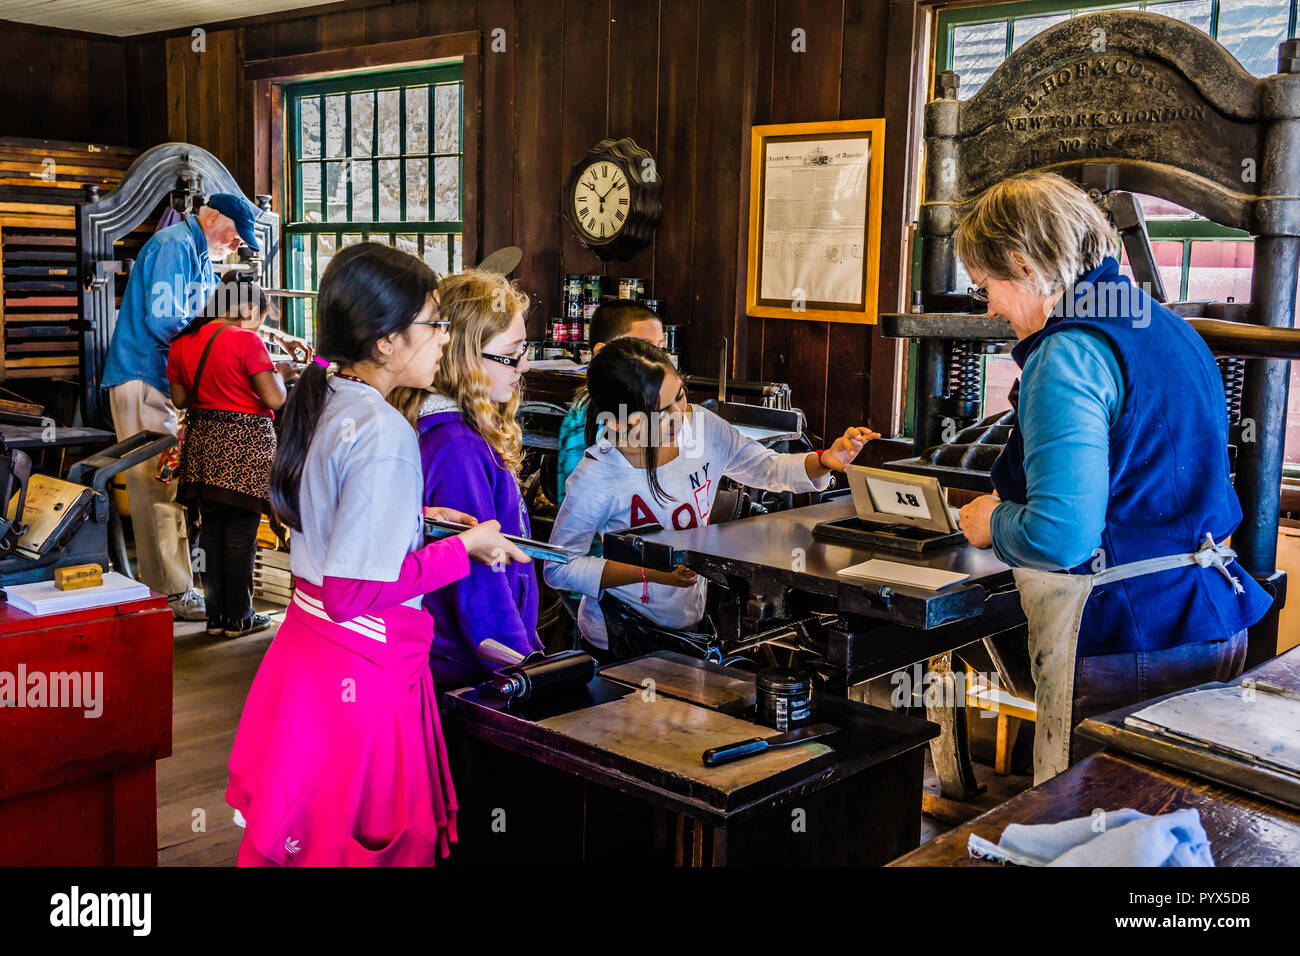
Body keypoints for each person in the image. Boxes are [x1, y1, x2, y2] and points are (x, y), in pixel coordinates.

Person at [952, 172, 1272, 783]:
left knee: (1092, 834)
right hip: (1213, 618)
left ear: (1022, 264)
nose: (989, 308)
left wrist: (991, 519)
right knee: (1169, 834)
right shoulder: (1165, 326)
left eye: (985, 287)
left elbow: (1060, 537)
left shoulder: (1066, 353)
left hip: (1130, 637)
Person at [226, 243, 528, 866]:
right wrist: (469, 547)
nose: (446, 340)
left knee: (315, 839)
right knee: (367, 843)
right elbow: (352, 591)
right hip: (359, 660)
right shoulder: (386, 430)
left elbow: (340, 521)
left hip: (309, 653)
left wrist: (418, 522)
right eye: (434, 324)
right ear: (386, 341)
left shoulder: (332, 398)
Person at [544, 337, 877, 659]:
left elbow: (767, 469)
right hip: (617, 637)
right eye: (663, 410)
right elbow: (559, 568)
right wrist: (652, 573)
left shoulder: (701, 429)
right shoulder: (596, 476)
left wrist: (823, 461)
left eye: (681, 396)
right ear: (623, 422)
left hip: (689, 623)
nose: (681, 413)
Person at [102, 193, 311, 621]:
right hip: (144, 377)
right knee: (158, 492)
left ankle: (176, 589)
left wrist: (272, 337)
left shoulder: (196, 252)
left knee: (166, 491)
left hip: (163, 380)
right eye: (235, 234)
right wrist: (246, 359)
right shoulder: (174, 246)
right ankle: (172, 595)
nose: (237, 245)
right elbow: (169, 323)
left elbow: (213, 319)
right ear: (211, 215)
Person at [389, 269, 541, 687]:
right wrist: (522, 670)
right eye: (513, 353)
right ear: (465, 356)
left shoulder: (454, 435)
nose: (524, 365)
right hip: (472, 671)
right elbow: (480, 584)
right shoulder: (458, 447)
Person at [167, 278, 295, 638]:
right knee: (241, 533)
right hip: (244, 444)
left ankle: (215, 617)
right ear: (249, 309)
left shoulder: (182, 342)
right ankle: (239, 617)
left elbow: (180, 399)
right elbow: (275, 400)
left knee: (210, 533)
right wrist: (280, 375)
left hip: (203, 442)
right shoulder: (246, 340)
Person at [555, 300, 664, 505]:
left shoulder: (644, 406)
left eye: (660, 348)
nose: (658, 359)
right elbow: (582, 497)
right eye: (644, 347)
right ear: (601, 353)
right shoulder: (586, 413)